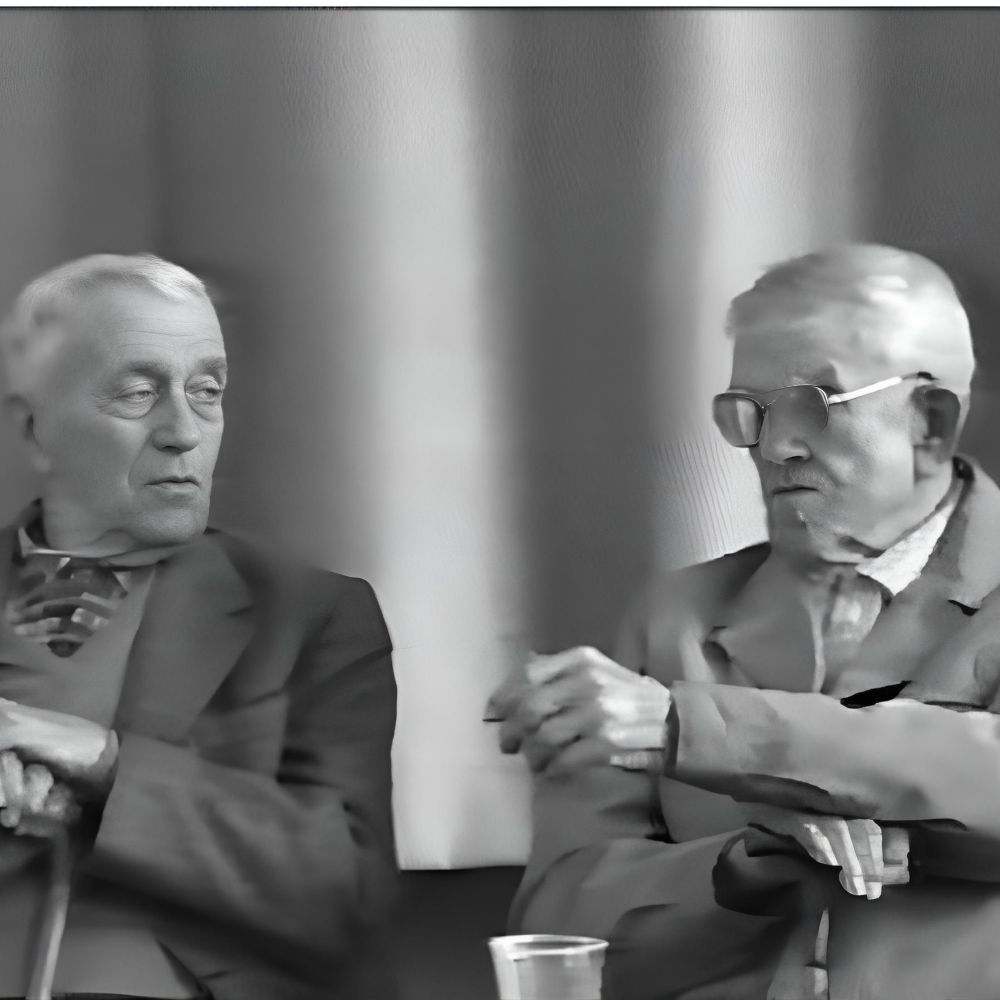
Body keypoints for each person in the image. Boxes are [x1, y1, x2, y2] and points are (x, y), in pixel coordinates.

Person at [489, 244, 1000, 1000]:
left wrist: (687, 726)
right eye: (748, 413)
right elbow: (561, 909)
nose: (773, 447)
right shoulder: (676, 615)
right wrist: (742, 863)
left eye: (814, 405)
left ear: (931, 421)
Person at [0, 254, 398, 1000]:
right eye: (137, 394)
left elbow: (345, 891)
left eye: (207, 392)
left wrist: (103, 761)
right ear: (37, 428)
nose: (184, 432)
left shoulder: (310, 616)